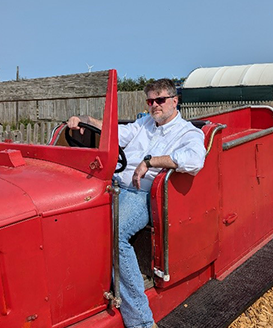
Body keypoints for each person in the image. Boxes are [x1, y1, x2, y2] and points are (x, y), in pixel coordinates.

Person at [67, 78, 206, 328]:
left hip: (143, 194)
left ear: (175, 101)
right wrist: (85, 121)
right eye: (150, 101)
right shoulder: (144, 124)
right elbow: (113, 134)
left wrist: (151, 161)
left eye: (160, 100)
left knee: (115, 232)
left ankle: (142, 321)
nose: (155, 105)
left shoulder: (188, 133)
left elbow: (195, 160)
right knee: (74, 213)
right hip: (115, 184)